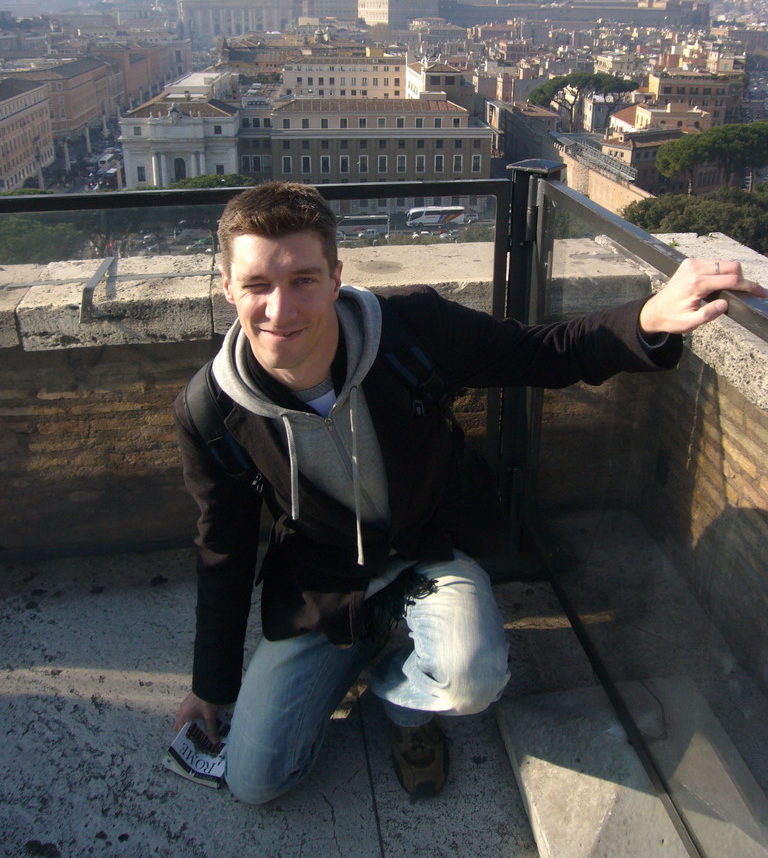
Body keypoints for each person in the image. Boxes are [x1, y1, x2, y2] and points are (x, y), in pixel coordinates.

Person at [173, 181, 767, 803]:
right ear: (228, 289)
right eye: (258, 286)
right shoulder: (210, 412)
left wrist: (647, 318)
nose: (281, 310)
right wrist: (212, 684)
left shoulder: (410, 329)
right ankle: (373, 640)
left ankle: (400, 703)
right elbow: (224, 549)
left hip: (430, 546)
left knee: (469, 680)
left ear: (336, 277)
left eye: (303, 280)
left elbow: (541, 353)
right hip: (325, 580)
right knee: (255, 784)